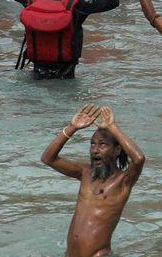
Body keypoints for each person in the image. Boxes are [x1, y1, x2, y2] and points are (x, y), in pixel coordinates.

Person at [40, 105, 145, 257]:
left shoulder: (122, 182)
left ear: (117, 150)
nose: (95, 150)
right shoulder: (85, 173)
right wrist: (72, 127)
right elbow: (48, 158)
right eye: (92, 144)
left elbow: (139, 159)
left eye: (102, 144)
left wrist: (112, 126)